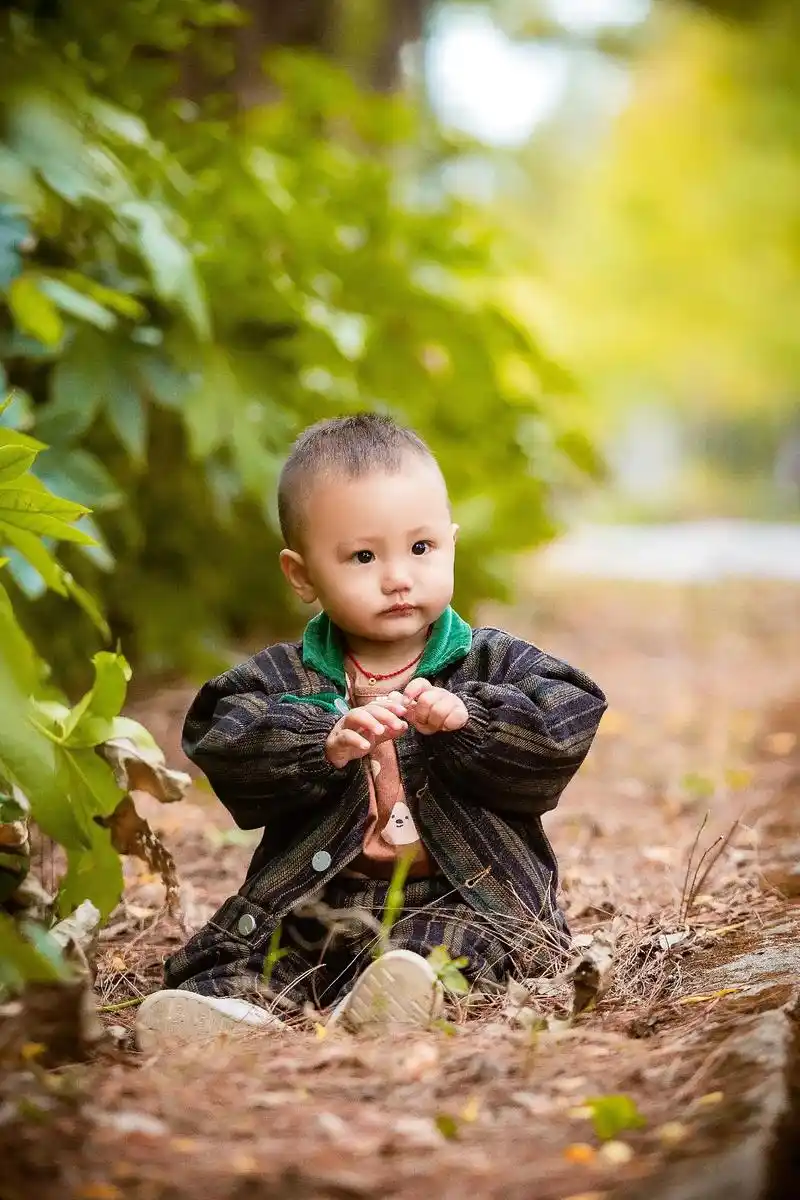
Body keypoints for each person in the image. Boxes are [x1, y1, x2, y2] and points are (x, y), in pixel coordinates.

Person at [136, 414, 606, 1050]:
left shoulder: (489, 662)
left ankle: (392, 1001)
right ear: (302, 575)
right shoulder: (287, 676)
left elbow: (568, 716)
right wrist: (320, 740)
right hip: (325, 895)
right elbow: (223, 733)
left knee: (454, 950)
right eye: (363, 556)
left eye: (421, 548)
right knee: (256, 955)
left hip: (460, 896)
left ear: (451, 543)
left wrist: (472, 722)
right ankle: (235, 1020)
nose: (397, 577)